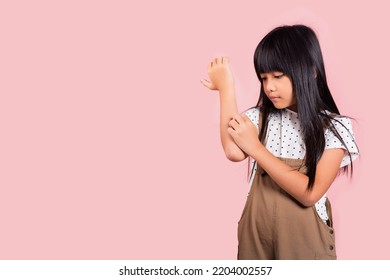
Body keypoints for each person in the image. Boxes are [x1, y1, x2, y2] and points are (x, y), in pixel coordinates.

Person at [201, 24, 359, 260]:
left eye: (278, 76)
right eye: (263, 78)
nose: (269, 87)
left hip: (305, 239)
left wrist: (256, 148)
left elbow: (310, 193)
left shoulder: (335, 128)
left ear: (312, 71)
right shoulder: (261, 117)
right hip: (256, 237)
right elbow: (233, 150)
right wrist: (226, 89)